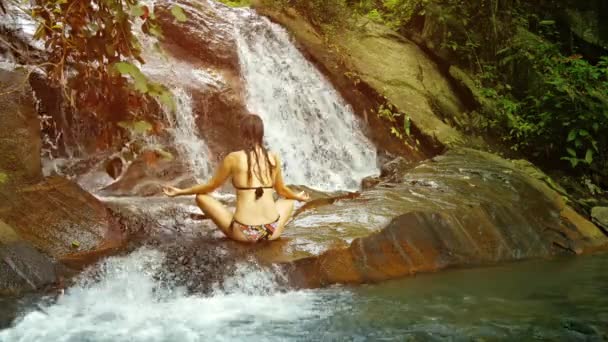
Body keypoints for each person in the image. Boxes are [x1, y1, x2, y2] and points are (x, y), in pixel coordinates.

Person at [162, 114, 310, 243]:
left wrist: (179, 192)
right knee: (289, 199)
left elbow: (210, 187)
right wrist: (298, 197)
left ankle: (240, 217)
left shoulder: (233, 158)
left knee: (201, 197)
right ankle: (266, 223)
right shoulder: (273, 158)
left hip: (243, 233)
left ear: (242, 134)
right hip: (271, 231)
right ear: (261, 134)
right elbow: (282, 190)